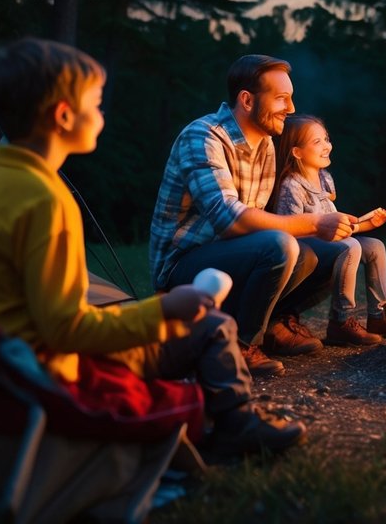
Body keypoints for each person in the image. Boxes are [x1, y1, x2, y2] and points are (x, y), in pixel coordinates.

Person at [0, 38, 303, 458]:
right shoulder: (42, 198)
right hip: (31, 378)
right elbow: (68, 331)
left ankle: (228, 417)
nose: (102, 115)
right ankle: (234, 428)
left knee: (189, 323)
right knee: (211, 328)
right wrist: (164, 310)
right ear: (63, 116)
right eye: (96, 105)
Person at [149, 55, 354, 377]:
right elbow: (230, 220)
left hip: (235, 258)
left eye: (291, 97)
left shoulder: (267, 146)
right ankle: (240, 345)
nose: (290, 107)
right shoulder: (203, 137)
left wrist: (329, 227)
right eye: (281, 98)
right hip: (184, 266)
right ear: (247, 100)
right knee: (281, 245)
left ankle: (274, 324)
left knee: (335, 254)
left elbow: (261, 218)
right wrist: (314, 223)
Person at [269, 115, 386, 345]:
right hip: (307, 249)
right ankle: (341, 321)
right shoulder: (292, 185)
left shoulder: (325, 179)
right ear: (297, 152)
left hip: (333, 243)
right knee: (350, 247)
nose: (326, 146)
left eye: (326, 139)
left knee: (375, 247)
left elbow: (341, 227)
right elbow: (288, 231)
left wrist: (368, 224)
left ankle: (378, 315)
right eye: (317, 142)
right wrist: (323, 232)